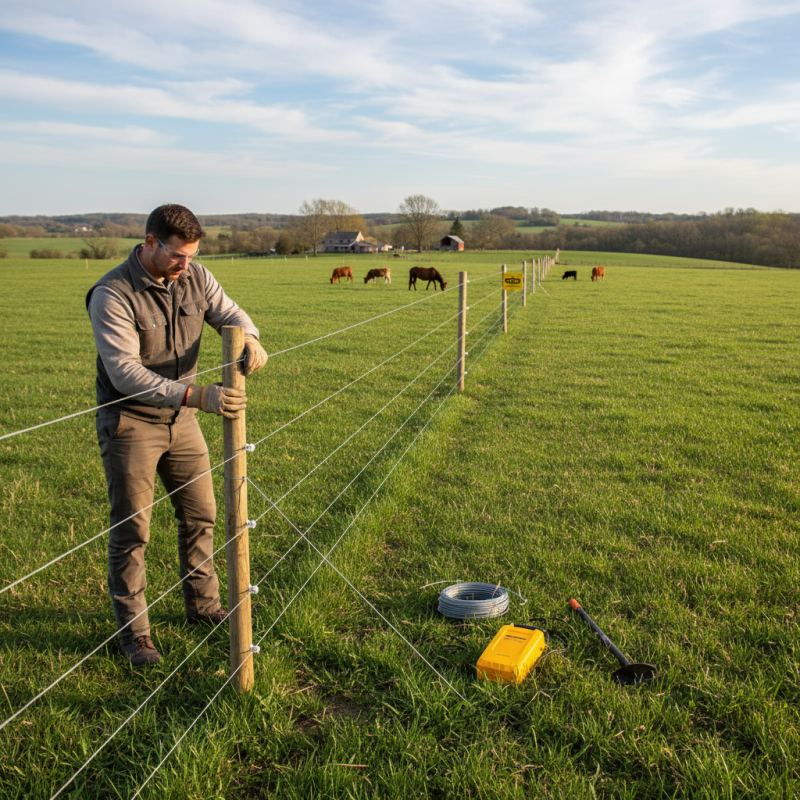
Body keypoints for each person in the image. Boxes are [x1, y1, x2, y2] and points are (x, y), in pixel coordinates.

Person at [86, 204, 268, 666]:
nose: (186, 265)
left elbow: (232, 314)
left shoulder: (197, 277)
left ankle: (203, 607)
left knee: (201, 514)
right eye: (177, 255)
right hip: (130, 420)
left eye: (192, 255)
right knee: (133, 530)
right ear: (149, 242)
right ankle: (135, 636)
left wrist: (250, 337)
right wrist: (196, 396)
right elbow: (124, 372)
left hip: (181, 421)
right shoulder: (112, 294)